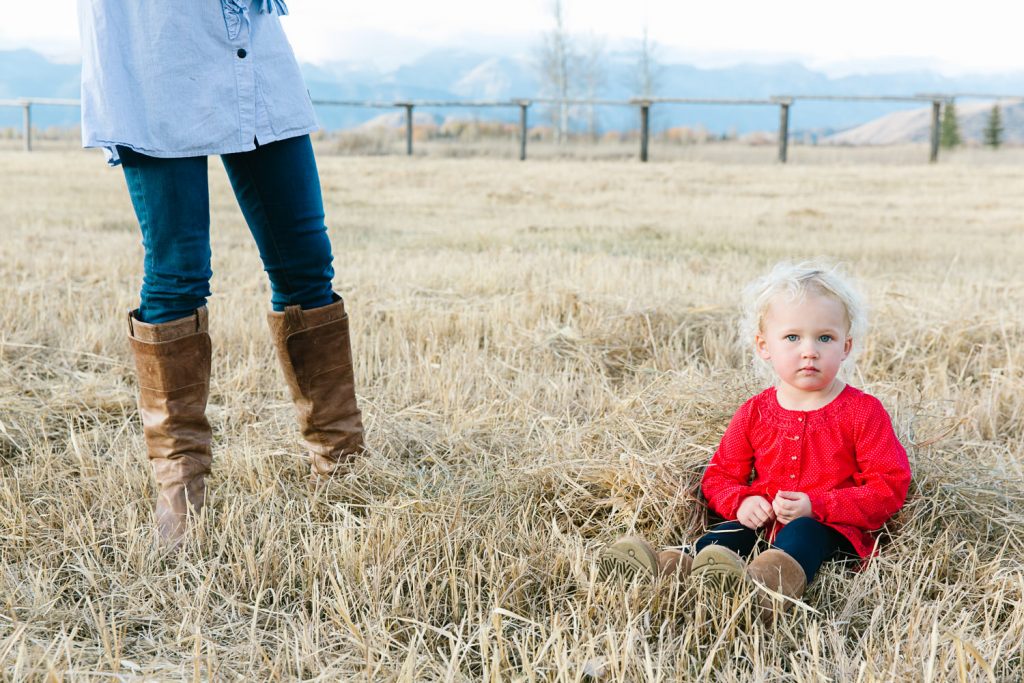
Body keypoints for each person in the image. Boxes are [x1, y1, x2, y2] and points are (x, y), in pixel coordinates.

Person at [77, 1, 365, 551]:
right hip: (153, 52)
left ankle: (341, 465)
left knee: (306, 261)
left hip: (248, 49)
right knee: (177, 270)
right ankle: (180, 491)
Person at [598, 262, 911, 619]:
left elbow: (889, 487)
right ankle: (668, 568)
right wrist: (743, 502)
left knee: (805, 531)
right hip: (763, 524)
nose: (809, 350)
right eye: (792, 337)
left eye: (825, 338)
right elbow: (718, 477)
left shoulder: (862, 412)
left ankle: (762, 592)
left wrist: (815, 505)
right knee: (731, 533)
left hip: (829, 531)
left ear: (846, 346)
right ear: (764, 346)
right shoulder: (755, 412)